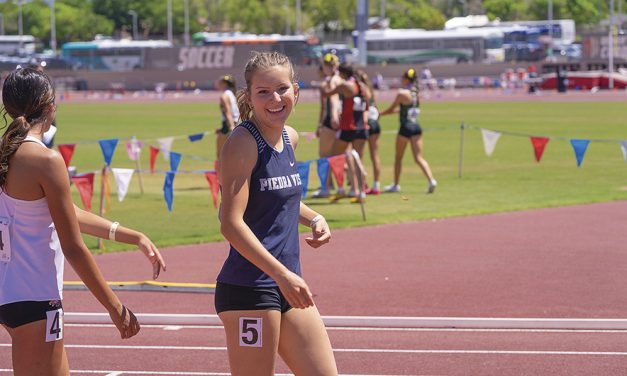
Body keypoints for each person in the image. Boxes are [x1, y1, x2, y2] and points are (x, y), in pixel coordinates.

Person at [0, 67, 167, 375]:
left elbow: (65, 213)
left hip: (11, 295)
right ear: (51, 106)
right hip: (37, 299)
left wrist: (132, 235)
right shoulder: (45, 160)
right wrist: (114, 308)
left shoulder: (7, 152)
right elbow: (74, 247)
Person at [216, 51, 337, 375]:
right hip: (249, 290)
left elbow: (277, 196)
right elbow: (230, 223)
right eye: (263, 92)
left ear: (296, 91)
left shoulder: (289, 137)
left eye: (282, 89)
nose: (275, 99)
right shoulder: (243, 143)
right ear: (249, 96)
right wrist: (282, 276)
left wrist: (314, 217)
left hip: (288, 284)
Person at [379, 68, 437, 194]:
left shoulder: (402, 93)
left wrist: (381, 114)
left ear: (406, 79)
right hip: (416, 127)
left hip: (405, 128)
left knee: (398, 158)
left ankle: (396, 184)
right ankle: (431, 180)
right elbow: (403, 110)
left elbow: (391, 109)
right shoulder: (416, 93)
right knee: (418, 158)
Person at [321, 63, 370, 202]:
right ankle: (361, 192)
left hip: (348, 127)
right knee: (357, 160)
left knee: (334, 157)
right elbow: (367, 105)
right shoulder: (362, 86)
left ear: (342, 74)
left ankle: (341, 189)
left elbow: (327, 93)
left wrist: (329, 80)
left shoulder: (345, 85)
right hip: (362, 127)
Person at [311, 54, 341, 199]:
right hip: (343, 123)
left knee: (324, 156)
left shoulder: (330, 82)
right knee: (339, 155)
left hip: (331, 122)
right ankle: (337, 185)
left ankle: (325, 187)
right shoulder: (343, 79)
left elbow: (329, 103)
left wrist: (322, 123)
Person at [355, 69, 382, 195]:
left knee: (359, 156)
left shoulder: (360, 89)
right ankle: (376, 185)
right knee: (375, 155)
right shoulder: (370, 89)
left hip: (366, 122)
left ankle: (363, 185)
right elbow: (376, 107)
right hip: (375, 122)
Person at [215, 74, 240, 164]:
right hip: (236, 123)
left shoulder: (224, 96)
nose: (218, 84)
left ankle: (223, 176)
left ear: (225, 84)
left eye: (220, 83)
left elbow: (228, 112)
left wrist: (231, 127)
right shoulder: (233, 95)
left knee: (221, 155)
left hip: (229, 125)